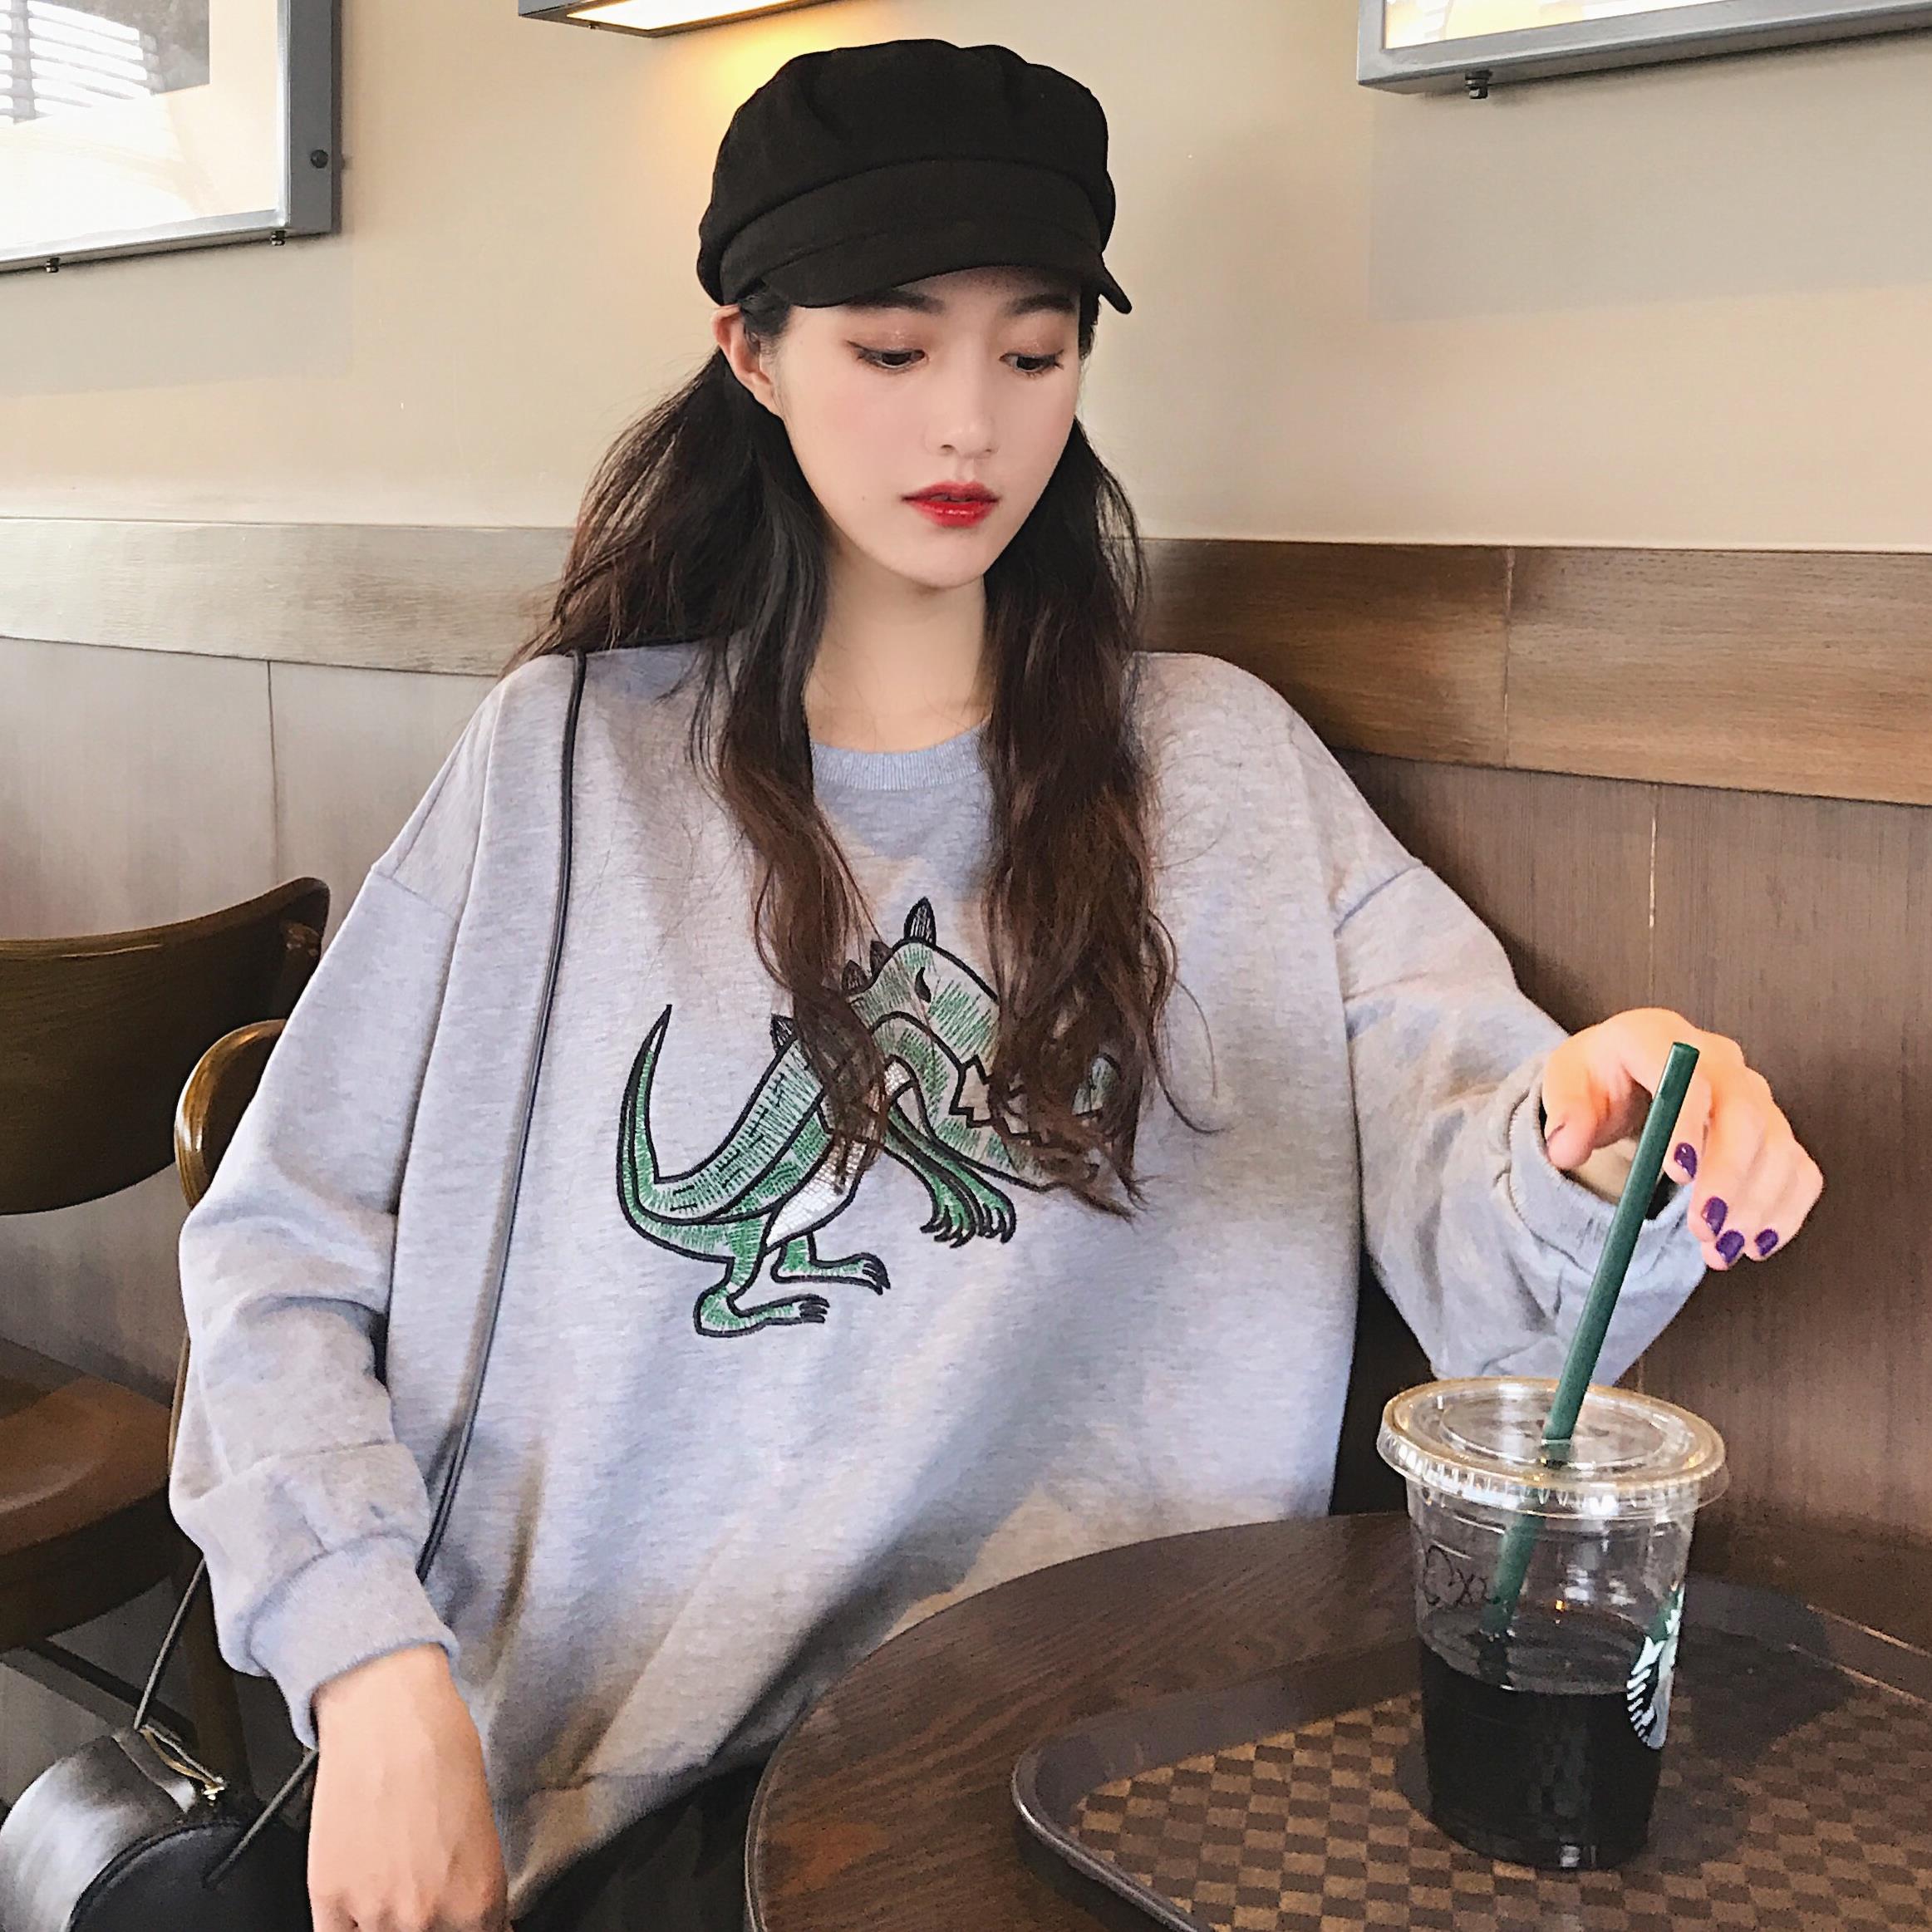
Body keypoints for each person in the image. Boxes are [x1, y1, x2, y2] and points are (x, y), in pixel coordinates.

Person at [167, 36, 1823, 1932]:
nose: (968, 424)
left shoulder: (1220, 764)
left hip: (1112, 1778)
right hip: (626, 1789)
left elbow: (1497, 1251)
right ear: (749, 352)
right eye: (891, 351)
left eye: (1032, 355)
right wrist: (369, 1666)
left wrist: (1607, 1130)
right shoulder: (565, 770)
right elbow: (279, 1245)